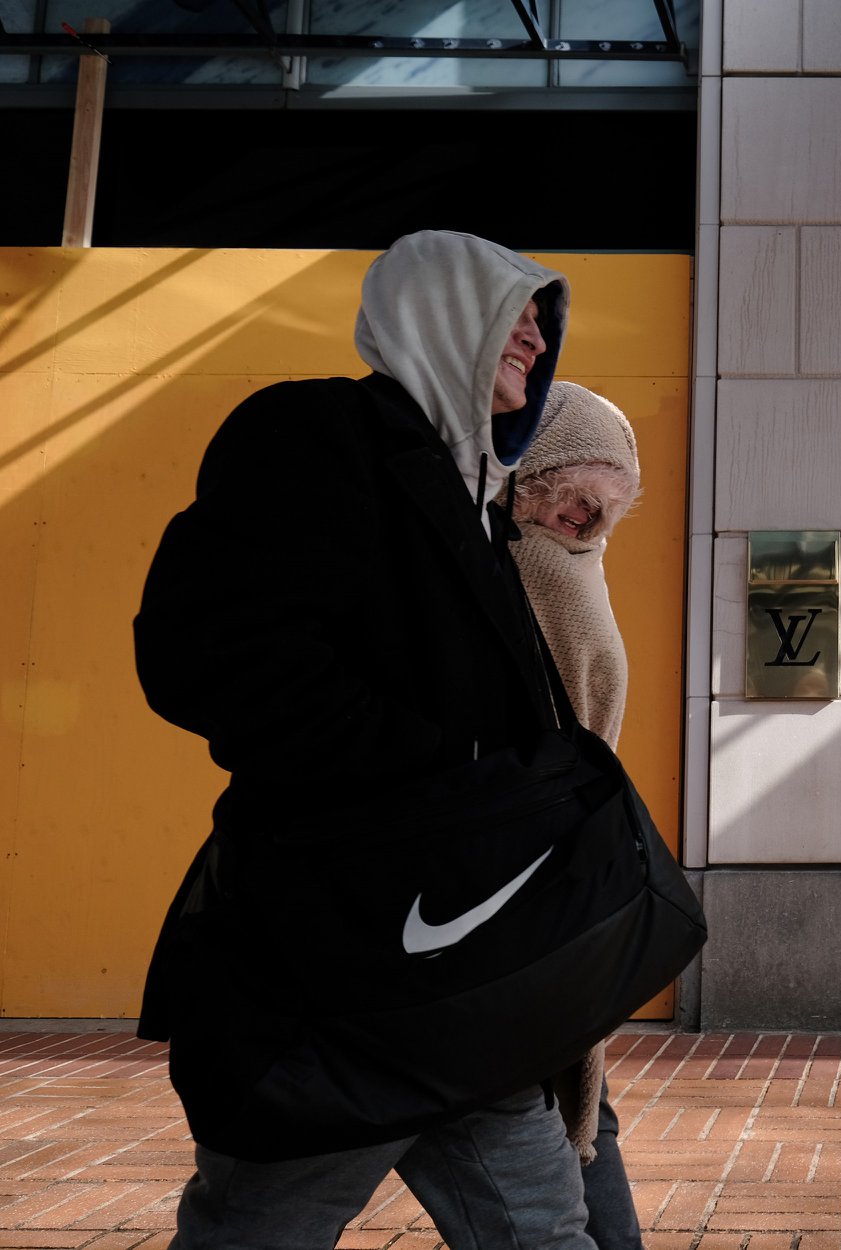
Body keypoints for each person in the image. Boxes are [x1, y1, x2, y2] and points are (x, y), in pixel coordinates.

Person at [133, 230, 597, 1249]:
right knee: (260, 1227)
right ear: (439, 314)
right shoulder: (313, 434)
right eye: (513, 311)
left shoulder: (480, 502)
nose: (535, 335)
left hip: (463, 966)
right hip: (340, 965)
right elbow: (206, 655)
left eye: (543, 321)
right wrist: (440, 775)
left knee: (546, 1224)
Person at [508, 381, 645, 1250]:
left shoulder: (547, 562)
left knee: (561, 1103)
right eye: (572, 497)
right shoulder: (536, 563)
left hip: (542, 869)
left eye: (602, 510)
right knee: (569, 1099)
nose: (585, 521)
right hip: (542, 868)